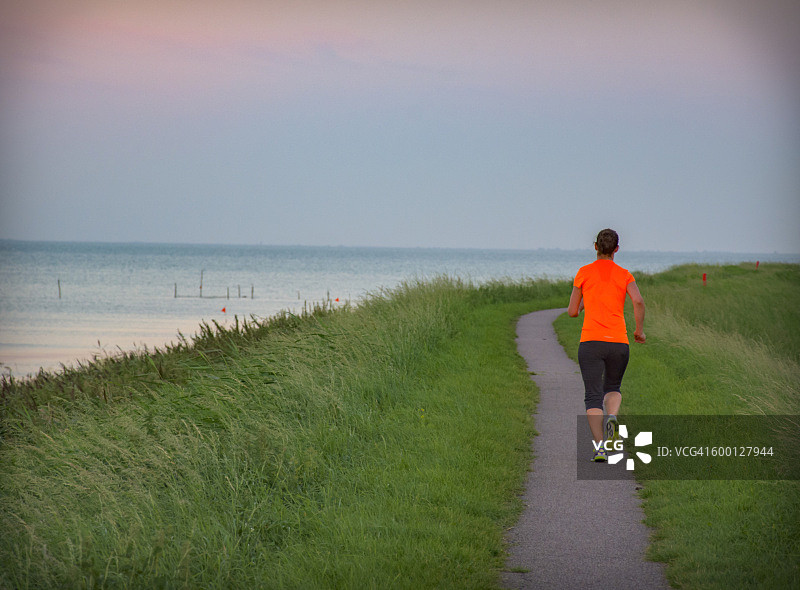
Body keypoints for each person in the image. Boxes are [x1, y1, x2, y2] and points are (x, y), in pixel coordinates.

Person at [567, 229, 645, 462]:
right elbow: (639, 301)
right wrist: (639, 331)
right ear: (617, 250)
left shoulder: (584, 272)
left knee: (592, 396)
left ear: (595, 247)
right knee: (612, 387)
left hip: (590, 342)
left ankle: (600, 448)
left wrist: (582, 306)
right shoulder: (624, 275)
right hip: (618, 342)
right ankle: (612, 416)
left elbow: (571, 311)